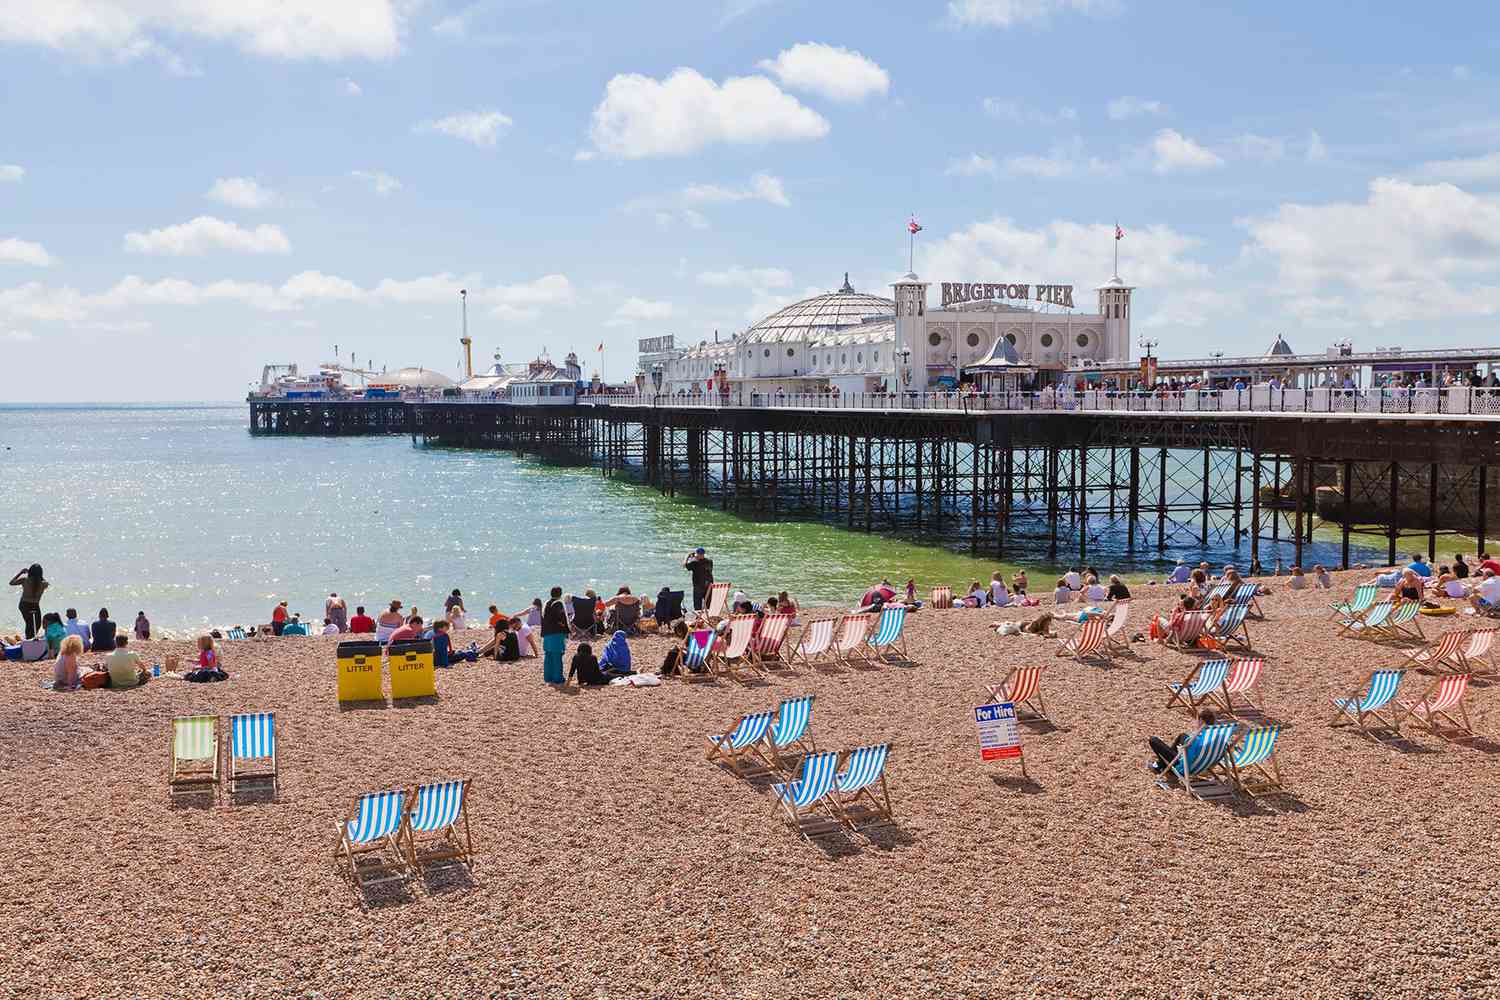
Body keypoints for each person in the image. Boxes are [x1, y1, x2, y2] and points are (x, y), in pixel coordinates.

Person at [1148, 709, 1218, 774]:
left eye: (1196, 719)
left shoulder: (1195, 740)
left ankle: (1161, 765)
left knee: (1153, 740)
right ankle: (1162, 764)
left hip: (1183, 766)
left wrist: (1184, 747)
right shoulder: (1214, 737)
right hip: (1202, 765)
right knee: (1182, 736)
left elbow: (1188, 756)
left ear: (1201, 721)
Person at [9, 563, 46, 639]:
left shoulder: (25, 580)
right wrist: (38, 575)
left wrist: (21, 573)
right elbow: (45, 581)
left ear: (30, 572)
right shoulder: (44, 583)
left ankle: (30, 639)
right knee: (35, 625)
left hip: (24, 605)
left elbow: (11, 582)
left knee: (32, 624)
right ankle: (29, 640)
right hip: (31, 605)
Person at [541, 586, 568, 684]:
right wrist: (565, 629)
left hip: (547, 634)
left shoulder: (546, 604)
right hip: (556, 634)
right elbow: (561, 619)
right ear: (560, 594)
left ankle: (548, 677)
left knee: (548, 656)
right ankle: (558, 678)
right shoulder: (558, 603)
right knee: (557, 656)